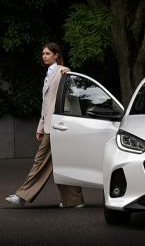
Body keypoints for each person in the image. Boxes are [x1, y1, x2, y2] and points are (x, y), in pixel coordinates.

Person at [5, 42, 85, 208]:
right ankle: (74, 201)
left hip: (57, 126)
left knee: (40, 161)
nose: (44, 56)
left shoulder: (62, 71)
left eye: (48, 53)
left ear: (56, 55)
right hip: (50, 125)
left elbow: (71, 87)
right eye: (43, 54)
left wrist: (67, 73)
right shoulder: (49, 74)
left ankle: (22, 196)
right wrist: (41, 127)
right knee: (64, 162)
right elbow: (46, 104)